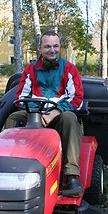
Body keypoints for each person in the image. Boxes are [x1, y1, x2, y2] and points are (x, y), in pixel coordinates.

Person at [6, 30, 84, 197]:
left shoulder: (70, 70)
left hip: (59, 116)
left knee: (70, 119)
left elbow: (77, 99)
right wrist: (37, 111)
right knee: (12, 119)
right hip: (33, 114)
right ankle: (10, 168)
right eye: (47, 46)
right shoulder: (30, 71)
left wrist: (54, 112)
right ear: (40, 48)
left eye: (55, 46)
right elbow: (20, 98)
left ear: (60, 47)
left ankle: (71, 176)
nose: (52, 50)